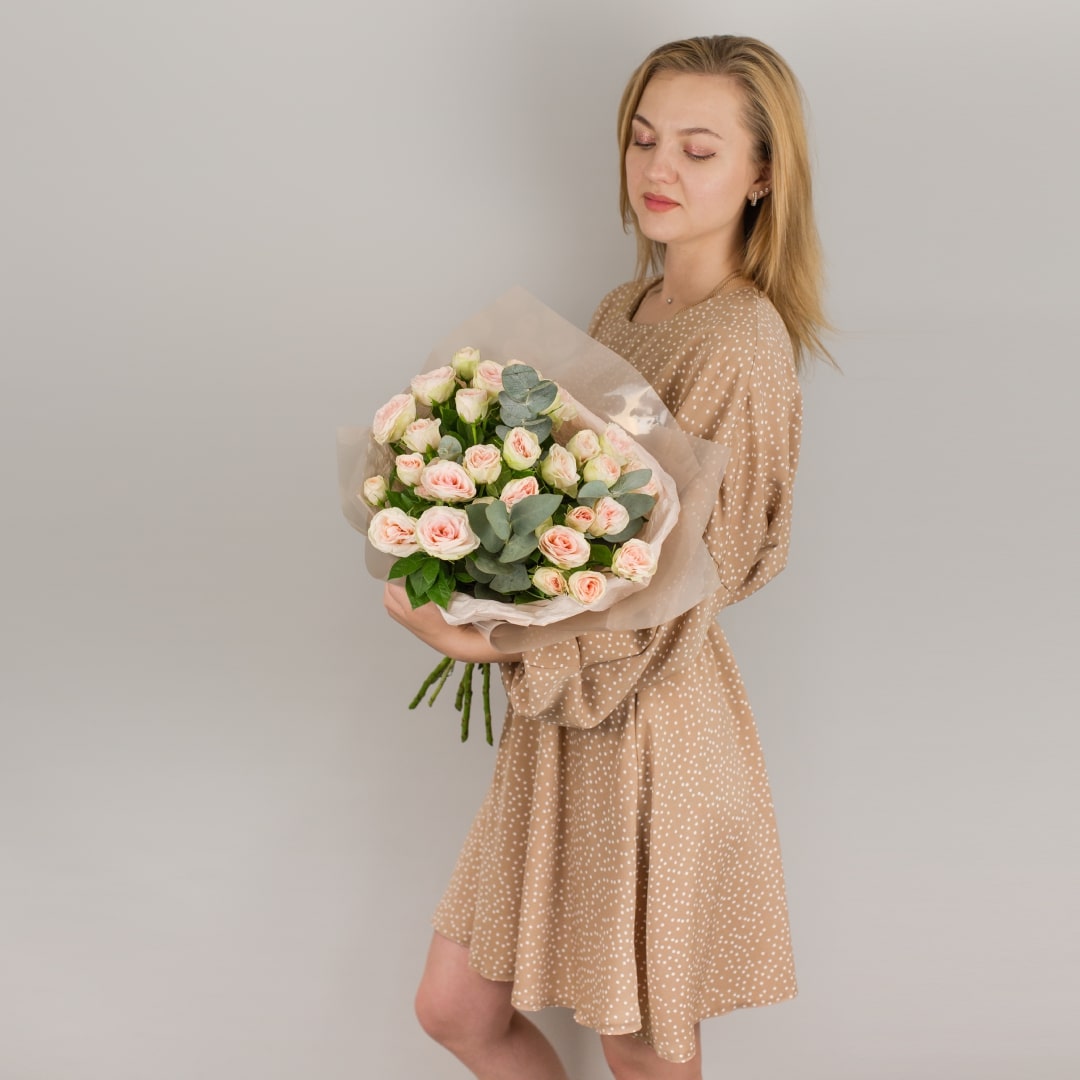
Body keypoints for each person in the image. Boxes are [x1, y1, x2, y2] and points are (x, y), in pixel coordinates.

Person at [382, 33, 833, 1080]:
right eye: (643, 139)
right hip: (565, 726)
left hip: (653, 723)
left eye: (698, 149)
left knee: (639, 1044)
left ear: (764, 174)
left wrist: (487, 643)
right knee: (456, 1007)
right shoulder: (622, 311)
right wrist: (478, 563)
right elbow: (584, 528)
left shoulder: (741, 343)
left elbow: (700, 578)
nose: (659, 169)